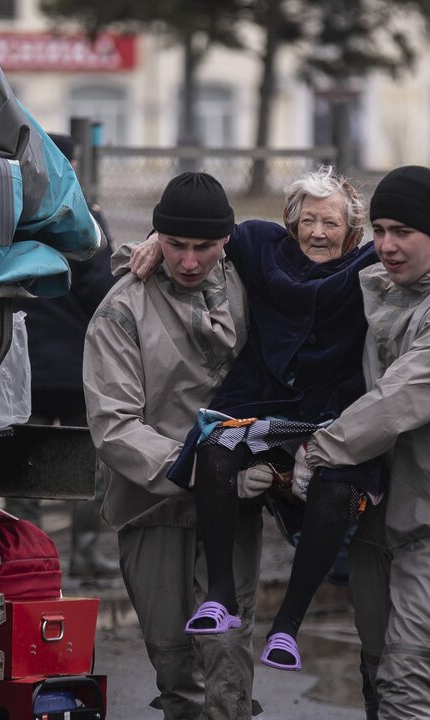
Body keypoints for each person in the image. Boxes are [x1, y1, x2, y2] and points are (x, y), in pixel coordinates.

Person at [126, 166, 430, 673]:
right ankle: (219, 596)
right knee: (215, 446)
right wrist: (153, 242)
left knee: (338, 491)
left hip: (332, 414)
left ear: (351, 232)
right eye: (308, 220)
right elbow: (201, 232)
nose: (318, 232)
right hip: (263, 404)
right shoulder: (262, 246)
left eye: (331, 223)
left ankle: (288, 625)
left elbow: (427, 244)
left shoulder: (370, 264)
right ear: (290, 223)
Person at [298, 165, 430, 718]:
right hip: (381, 529)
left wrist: (316, 453)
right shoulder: (382, 290)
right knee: (381, 689)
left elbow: (400, 398)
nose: (387, 246)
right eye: (380, 230)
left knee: (407, 693)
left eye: (403, 232)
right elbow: (268, 252)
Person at [83, 172, 263, 719]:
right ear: (156, 238)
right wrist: (200, 469)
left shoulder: (254, 283)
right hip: (152, 502)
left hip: (233, 502)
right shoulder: (122, 310)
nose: (189, 261)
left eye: (203, 246)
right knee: (173, 661)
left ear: (226, 239)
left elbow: (337, 246)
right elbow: (114, 425)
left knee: (228, 654)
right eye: (176, 245)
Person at [13, 132, 117, 577]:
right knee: (87, 469)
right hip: (78, 370)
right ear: (71, 166)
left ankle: (27, 561)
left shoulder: (12, 217)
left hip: (27, 369)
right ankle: (87, 558)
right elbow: (103, 295)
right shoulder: (85, 223)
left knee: (22, 471)